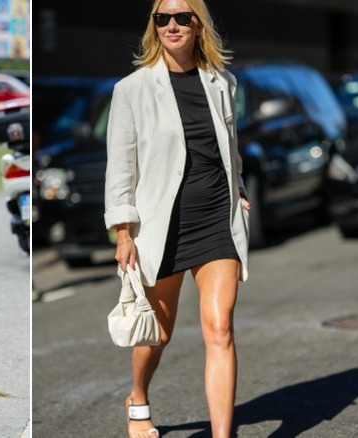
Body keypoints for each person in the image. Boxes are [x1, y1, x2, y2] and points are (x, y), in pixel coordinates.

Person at [103, 1, 250, 437]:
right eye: (162, 18)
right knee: (157, 334)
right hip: (160, 226)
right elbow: (121, 168)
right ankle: (138, 398)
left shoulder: (221, 82)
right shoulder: (131, 89)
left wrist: (238, 190)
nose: (172, 25)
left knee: (219, 327)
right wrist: (123, 231)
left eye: (182, 17)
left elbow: (230, 149)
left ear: (198, 24)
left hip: (215, 221)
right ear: (153, 26)